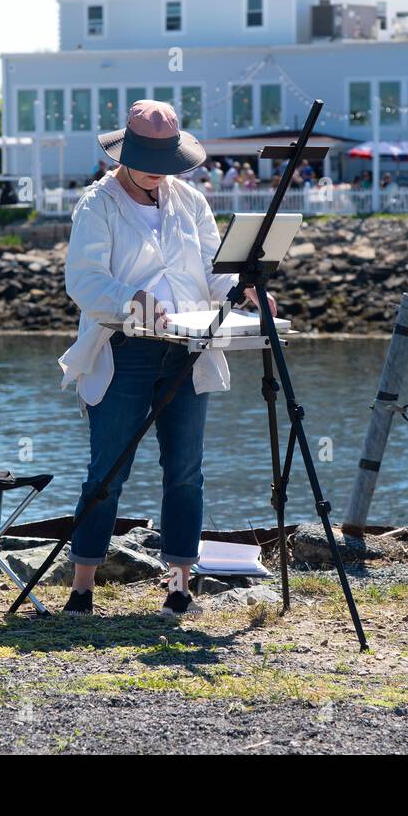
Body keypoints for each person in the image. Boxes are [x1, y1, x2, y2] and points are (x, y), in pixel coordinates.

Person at [57, 100, 276, 618]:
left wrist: (246, 289)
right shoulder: (98, 204)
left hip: (188, 348)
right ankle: (82, 589)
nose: (159, 172)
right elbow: (83, 281)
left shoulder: (190, 201)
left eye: (167, 162)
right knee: (107, 471)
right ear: (125, 154)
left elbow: (211, 270)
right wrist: (132, 302)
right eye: (150, 161)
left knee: (185, 471)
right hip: (123, 348)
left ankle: (180, 588)